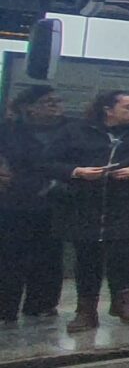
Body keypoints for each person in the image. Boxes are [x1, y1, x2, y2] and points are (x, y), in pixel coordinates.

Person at [44, 90, 129, 332]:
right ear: (108, 109)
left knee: (121, 256)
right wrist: (78, 171)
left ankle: (121, 301)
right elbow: (49, 162)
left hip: (126, 206)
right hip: (83, 205)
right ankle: (86, 310)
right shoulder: (75, 132)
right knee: (86, 259)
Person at [0, 85, 68, 323]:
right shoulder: (8, 131)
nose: (55, 105)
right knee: (9, 257)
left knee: (49, 257)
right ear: (27, 107)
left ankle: (42, 305)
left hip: (55, 203)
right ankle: (5, 307)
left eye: (57, 101)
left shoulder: (71, 130)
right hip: (13, 203)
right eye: (47, 101)